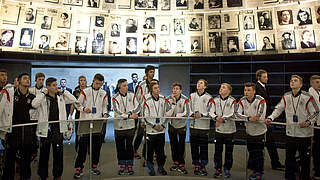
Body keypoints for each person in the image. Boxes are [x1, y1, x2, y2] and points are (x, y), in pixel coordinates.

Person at [265, 75, 319, 180]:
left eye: (295, 81)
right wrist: (270, 118)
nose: (292, 82)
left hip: (304, 134)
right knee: (289, 159)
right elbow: (278, 109)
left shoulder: (307, 96)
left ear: (301, 84)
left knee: (305, 160)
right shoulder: (286, 96)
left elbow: (316, 112)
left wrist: (308, 122)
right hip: (290, 133)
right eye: (291, 81)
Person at [32, 77, 79, 180]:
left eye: (56, 85)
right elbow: (34, 104)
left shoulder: (60, 97)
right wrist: (43, 93)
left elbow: (73, 99)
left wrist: (63, 91)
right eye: (53, 85)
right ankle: (43, 175)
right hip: (46, 130)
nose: (56, 87)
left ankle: (57, 175)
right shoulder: (42, 96)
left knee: (58, 154)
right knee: (44, 154)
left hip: (58, 129)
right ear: (47, 86)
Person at [73, 73, 109, 179]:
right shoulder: (85, 91)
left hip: (98, 122)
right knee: (82, 148)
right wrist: (83, 109)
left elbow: (104, 106)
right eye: (97, 83)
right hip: (85, 121)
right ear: (93, 81)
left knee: (96, 147)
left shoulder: (104, 93)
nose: (98, 86)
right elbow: (77, 103)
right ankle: (79, 168)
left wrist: (105, 114)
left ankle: (94, 166)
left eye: (100, 84)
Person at [2, 73, 36, 180]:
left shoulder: (32, 97)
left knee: (26, 162)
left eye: (28, 78)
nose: (27, 80)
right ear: (19, 81)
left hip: (27, 133)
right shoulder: (11, 95)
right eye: (25, 78)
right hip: (13, 132)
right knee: (9, 160)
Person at [143, 82, 175, 176]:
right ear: (151, 90)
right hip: (150, 130)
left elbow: (168, 113)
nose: (158, 89)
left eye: (158, 87)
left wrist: (163, 125)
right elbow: (144, 116)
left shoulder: (163, 99)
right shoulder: (147, 100)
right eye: (156, 88)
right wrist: (153, 126)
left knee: (161, 151)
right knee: (150, 152)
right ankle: (151, 168)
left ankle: (161, 167)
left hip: (161, 129)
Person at [236, 82, 267, 180]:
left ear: (254, 91)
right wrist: (248, 118)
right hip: (249, 131)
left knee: (259, 153)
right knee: (251, 151)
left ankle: (259, 172)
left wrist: (255, 117)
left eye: (249, 90)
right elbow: (237, 113)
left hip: (260, 131)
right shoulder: (242, 100)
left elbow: (259, 115)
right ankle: (253, 169)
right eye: (245, 90)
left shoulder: (261, 100)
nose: (246, 92)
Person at [255, 70, 284, 170]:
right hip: (262, 120)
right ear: (259, 77)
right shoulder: (257, 88)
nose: (267, 78)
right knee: (266, 142)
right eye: (265, 77)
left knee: (269, 142)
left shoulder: (263, 87)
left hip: (266, 119)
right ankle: (274, 163)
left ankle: (275, 163)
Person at [112, 79, 140, 175]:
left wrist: (130, 113)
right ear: (119, 86)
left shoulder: (132, 95)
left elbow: (138, 106)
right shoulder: (115, 97)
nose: (127, 87)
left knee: (129, 146)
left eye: (127, 85)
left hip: (130, 126)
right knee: (120, 147)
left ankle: (130, 164)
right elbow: (117, 112)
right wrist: (128, 116)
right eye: (124, 85)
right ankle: (122, 165)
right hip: (119, 127)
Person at [188, 79, 213, 176]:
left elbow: (211, 111)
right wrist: (192, 114)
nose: (198, 84)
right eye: (198, 83)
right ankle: (196, 165)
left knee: (203, 147)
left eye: (201, 83)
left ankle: (203, 165)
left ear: (205, 86)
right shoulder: (192, 95)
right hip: (193, 125)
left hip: (204, 126)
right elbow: (188, 108)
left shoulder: (209, 97)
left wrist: (202, 115)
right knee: (194, 147)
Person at [211, 83, 237, 178]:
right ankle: (218, 169)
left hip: (230, 131)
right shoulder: (215, 100)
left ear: (229, 91)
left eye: (224, 87)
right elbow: (211, 111)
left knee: (229, 152)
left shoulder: (233, 100)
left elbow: (233, 113)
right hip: (219, 130)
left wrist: (222, 119)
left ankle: (227, 169)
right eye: (221, 87)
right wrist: (216, 117)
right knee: (217, 151)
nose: (221, 89)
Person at [134, 65, 155, 160]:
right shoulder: (141, 85)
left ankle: (149, 153)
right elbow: (137, 99)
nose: (152, 73)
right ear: (146, 73)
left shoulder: (155, 83)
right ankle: (134, 150)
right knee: (140, 133)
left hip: (153, 112)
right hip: (143, 112)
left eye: (153, 71)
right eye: (151, 71)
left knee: (151, 133)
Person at [167, 82, 188, 174]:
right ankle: (175, 162)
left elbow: (186, 113)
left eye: (177, 89)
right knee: (173, 144)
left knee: (181, 145)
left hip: (182, 125)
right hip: (172, 125)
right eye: (173, 89)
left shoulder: (185, 99)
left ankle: (182, 163)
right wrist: (173, 103)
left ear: (180, 90)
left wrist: (176, 115)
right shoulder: (168, 99)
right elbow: (167, 113)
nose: (174, 90)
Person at [69, 75, 87, 151]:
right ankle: (77, 147)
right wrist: (70, 115)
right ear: (79, 82)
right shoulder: (75, 91)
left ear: (86, 82)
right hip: (78, 113)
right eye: (81, 80)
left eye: (84, 80)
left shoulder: (89, 90)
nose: (82, 82)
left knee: (87, 132)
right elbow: (73, 103)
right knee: (78, 131)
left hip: (87, 113)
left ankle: (87, 148)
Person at [309, 75, 320, 179]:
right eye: (316, 82)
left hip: (319, 124)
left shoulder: (318, 93)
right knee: (316, 150)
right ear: (311, 83)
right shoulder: (310, 94)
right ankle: (316, 171)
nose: (319, 84)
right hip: (314, 125)